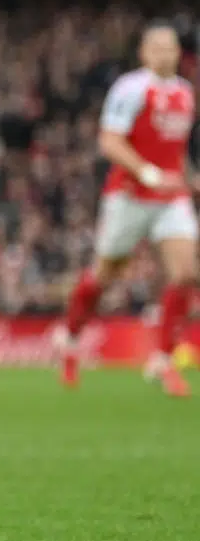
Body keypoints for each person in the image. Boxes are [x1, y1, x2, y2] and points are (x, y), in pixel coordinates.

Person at [58, 22, 196, 397]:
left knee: (186, 273)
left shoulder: (185, 93)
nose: (167, 54)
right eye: (159, 48)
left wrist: (190, 179)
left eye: (172, 48)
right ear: (144, 52)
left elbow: (176, 148)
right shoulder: (131, 88)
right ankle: (70, 340)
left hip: (170, 197)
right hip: (130, 195)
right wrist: (149, 173)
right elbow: (110, 142)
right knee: (104, 275)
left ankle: (164, 360)